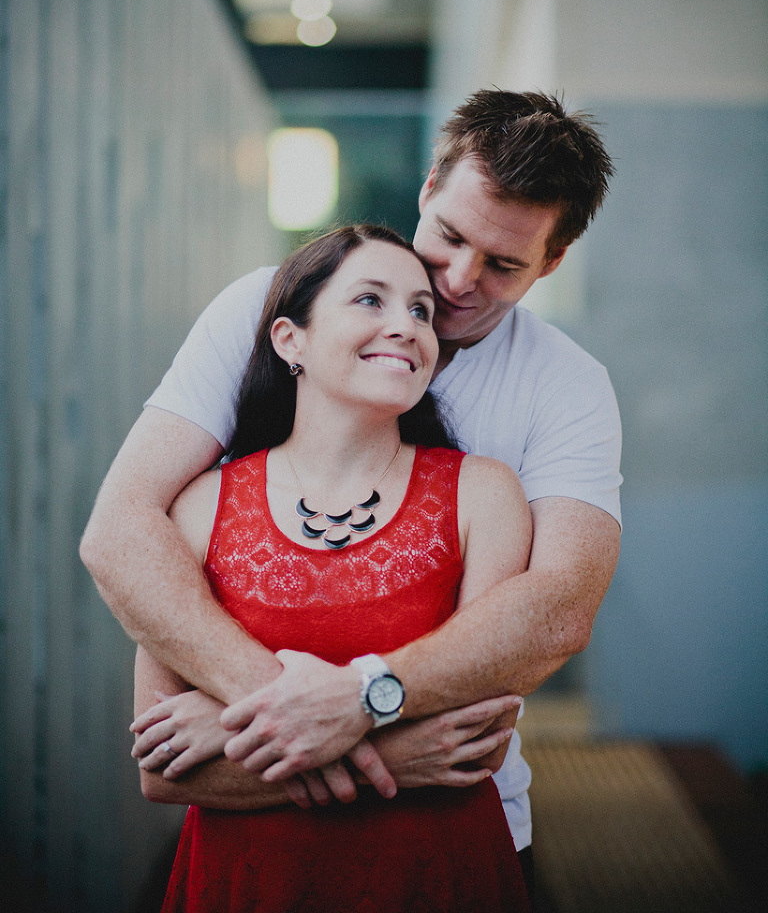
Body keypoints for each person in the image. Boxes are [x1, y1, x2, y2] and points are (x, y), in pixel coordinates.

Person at [81, 90, 622, 899]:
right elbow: (120, 532)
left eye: (504, 264)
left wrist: (358, 698)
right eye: (449, 237)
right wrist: (292, 710)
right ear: (427, 188)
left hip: (458, 824)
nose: (456, 281)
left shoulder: (565, 391)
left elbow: (556, 611)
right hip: (254, 828)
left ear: (551, 263)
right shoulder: (270, 304)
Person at [134, 225, 533, 912]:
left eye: (419, 311)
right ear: (291, 340)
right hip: (250, 884)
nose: (406, 327)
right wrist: (400, 756)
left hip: (437, 879)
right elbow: (165, 771)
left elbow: (478, 742)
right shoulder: (201, 507)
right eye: (370, 301)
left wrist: (233, 735)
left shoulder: (484, 493)